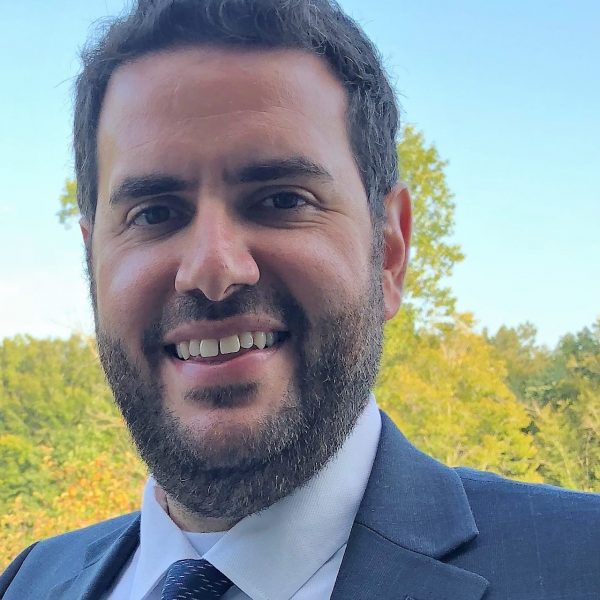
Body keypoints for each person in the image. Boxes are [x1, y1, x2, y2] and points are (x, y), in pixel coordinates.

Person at [1, 0, 599, 598]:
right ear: (92, 261)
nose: (213, 269)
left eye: (282, 199)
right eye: (154, 213)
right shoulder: (28, 582)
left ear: (389, 251)